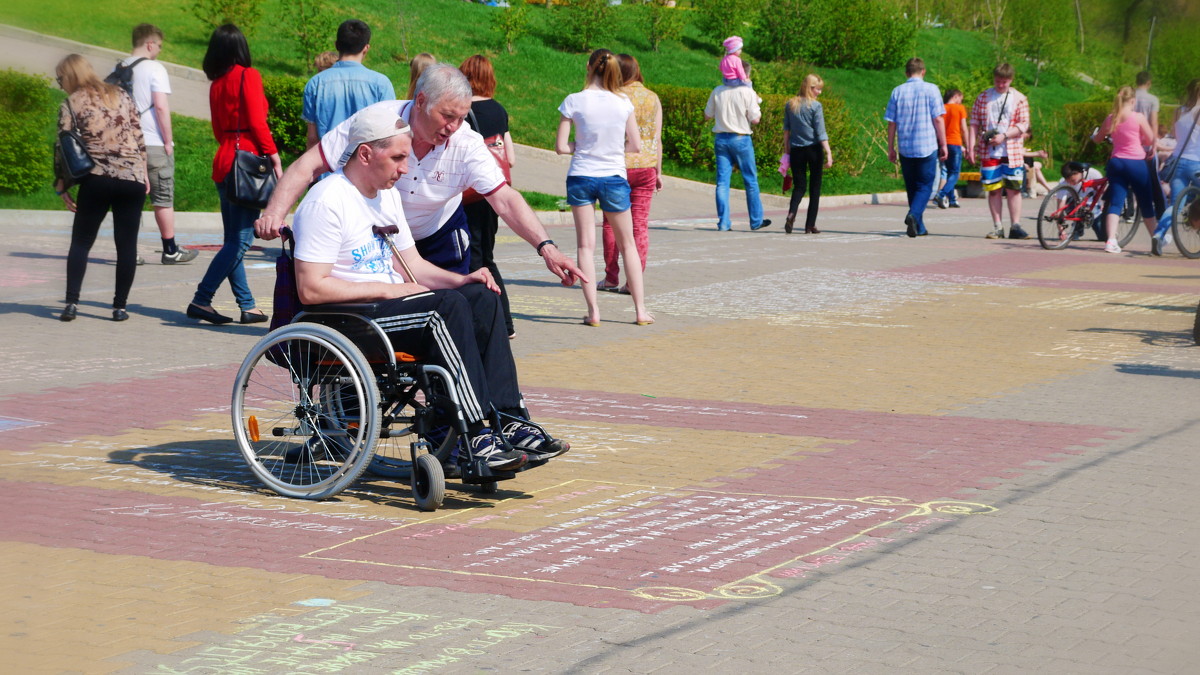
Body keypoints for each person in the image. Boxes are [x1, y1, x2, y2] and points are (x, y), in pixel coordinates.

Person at [290, 105, 568, 470]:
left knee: (482, 298)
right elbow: (311, 290)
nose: (406, 169)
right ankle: (473, 433)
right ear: (365, 153)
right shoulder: (327, 200)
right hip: (349, 319)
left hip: (386, 311)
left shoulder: (385, 195)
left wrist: (463, 279)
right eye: (398, 158)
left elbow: (415, 266)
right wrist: (387, 290)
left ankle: (509, 418)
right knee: (445, 309)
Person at [254, 64, 585, 295]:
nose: (453, 126)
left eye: (461, 117)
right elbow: (309, 164)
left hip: (438, 233)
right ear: (422, 101)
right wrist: (275, 212)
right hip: (380, 237)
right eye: (447, 116)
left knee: (461, 304)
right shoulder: (380, 122)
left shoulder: (465, 142)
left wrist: (547, 248)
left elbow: (506, 199)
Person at [187, 24, 282, 325]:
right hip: (248, 161)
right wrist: (273, 154)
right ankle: (202, 299)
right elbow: (256, 120)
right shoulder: (247, 75)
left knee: (233, 240)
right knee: (240, 242)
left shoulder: (217, 82)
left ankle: (248, 305)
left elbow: (217, 128)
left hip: (225, 159)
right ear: (240, 46)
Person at [556, 49, 652, 327]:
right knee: (628, 244)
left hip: (581, 176)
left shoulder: (573, 101)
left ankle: (594, 312)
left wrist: (582, 146)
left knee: (586, 245)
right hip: (613, 177)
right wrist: (611, 147)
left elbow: (562, 147)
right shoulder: (623, 103)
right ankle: (640, 311)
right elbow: (635, 145)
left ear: (588, 67)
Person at [53, 54, 148, 323]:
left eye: (61, 79)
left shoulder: (71, 102)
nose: (61, 85)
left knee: (81, 242)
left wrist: (62, 184)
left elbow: (64, 145)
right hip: (132, 179)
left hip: (96, 178)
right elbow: (139, 135)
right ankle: (120, 308)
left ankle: (71, 303)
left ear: (69, 77)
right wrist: (143, 171)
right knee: (127, 245)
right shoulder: (121, 94)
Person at [121, 24, 197, 265]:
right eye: (159, 46)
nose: (159, 51)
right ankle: (170, 249)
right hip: (152, 143)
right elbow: (161, 106)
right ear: (150, 44)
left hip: (124, 144)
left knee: (129, 200)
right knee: (162, 198)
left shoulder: (119, 67)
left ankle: (129, 252)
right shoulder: (155, 68)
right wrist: (168, 141)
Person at [460, 54, 517, 337]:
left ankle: (493, 321)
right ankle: (505, 322)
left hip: (467, 192)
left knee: (472, 257)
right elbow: (511, 157)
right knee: (487, 255)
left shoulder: (459, 109)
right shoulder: (498, 110)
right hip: (493, 191)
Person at [599, 54, 662, 291]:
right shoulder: (652, 97)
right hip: (646, 166)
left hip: (618, 166)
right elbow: (657, 138)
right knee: (639, 226)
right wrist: (658, 171)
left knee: (610, 224)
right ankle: (633, 282)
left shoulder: (614, 96)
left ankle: (611, 277)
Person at [302, 19, 395, 149]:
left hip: (327, 164)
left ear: (337, 45)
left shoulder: (315, 84)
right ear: (366, 48)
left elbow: (312, 138)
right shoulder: (381, 84)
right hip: (367, 164)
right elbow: (389, 134)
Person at [1092, 86, 1160, 254]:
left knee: (1115, 202)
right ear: (1133, 101)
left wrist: (1092, 136)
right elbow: (1151, 139)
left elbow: (1098, 139)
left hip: (1116, 163)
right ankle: (1156, 239)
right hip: (1136, 163)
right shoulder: (1138, 117)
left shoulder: (1111, 118)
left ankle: (1111, 240)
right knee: (1145, 203)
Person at [704, 61, 771, 233]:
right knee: (750, 180)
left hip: (721, 138)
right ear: (744, 74)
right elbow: (755, 119)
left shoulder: (717, 91)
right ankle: (755, 220)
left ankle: (724, 222)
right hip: (741, 138)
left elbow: (707, 115)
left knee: (722, 182)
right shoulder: (747, 92)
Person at [884, 57, 947, 238]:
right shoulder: (931, 89)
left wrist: (891, 148)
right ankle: (913, 216)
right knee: (926, 186)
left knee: (912, 186)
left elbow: (891, 122)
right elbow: (938, 118)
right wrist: (943, 143)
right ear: (923, 71)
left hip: (905, 146)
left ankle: (918, 226)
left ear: (906, 73)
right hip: (926, 144)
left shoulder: (897, 91)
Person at [967, 63, 1030, 240]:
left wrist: (1004, 135)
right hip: (989, 151)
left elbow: (1023, 124)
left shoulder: (1019, 98)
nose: (1000, 85)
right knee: (993, 189)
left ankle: (1015, 225)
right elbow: (974, 123)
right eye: (998, 81)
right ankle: (997, 226)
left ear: (1010, 80)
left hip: (1012, 150)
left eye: (1004, 82)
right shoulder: (984, 97)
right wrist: (971, 147)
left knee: (1014, 188)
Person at [1152, 79, 1200, 253]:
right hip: (1197, 163)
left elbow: (1174, 134)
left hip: (1178, 161)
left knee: (1175, 204)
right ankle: (1194, 220)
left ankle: (1158, 235)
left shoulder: (1178, 111)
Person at [781, 73, 831, 234]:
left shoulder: (790, 104)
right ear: (810, 88)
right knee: (815, 188)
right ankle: (810, 225)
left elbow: (786, 131)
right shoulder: (816, 106)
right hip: (814, 149)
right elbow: (821, 132)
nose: (819, 92)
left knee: (799, 186)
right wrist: (828, 152)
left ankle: (791, 214)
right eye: (818, 89)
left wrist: (787, 150)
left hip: (796, 150)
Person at [935, 88, 967, 209]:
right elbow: (964, 128)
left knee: (948, 172)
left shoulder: (941, 108)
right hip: (955, 142)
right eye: (960, 99)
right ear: (956, 96)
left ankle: (952, 199)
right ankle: (941, 194)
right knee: (955, 173)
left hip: (942, 143)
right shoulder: (959, 108)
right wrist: (968, 144)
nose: (960, 101)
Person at [1022, 132, 1052, 198]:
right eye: (1026, 137)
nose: (1025, 139)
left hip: (1026, 163)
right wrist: (1037, 153)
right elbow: (1019, 153)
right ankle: (1048, 189)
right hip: (1018, 163)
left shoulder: (1022, 142)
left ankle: (1049, 189)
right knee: (1035, 168)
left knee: (1037, 166)